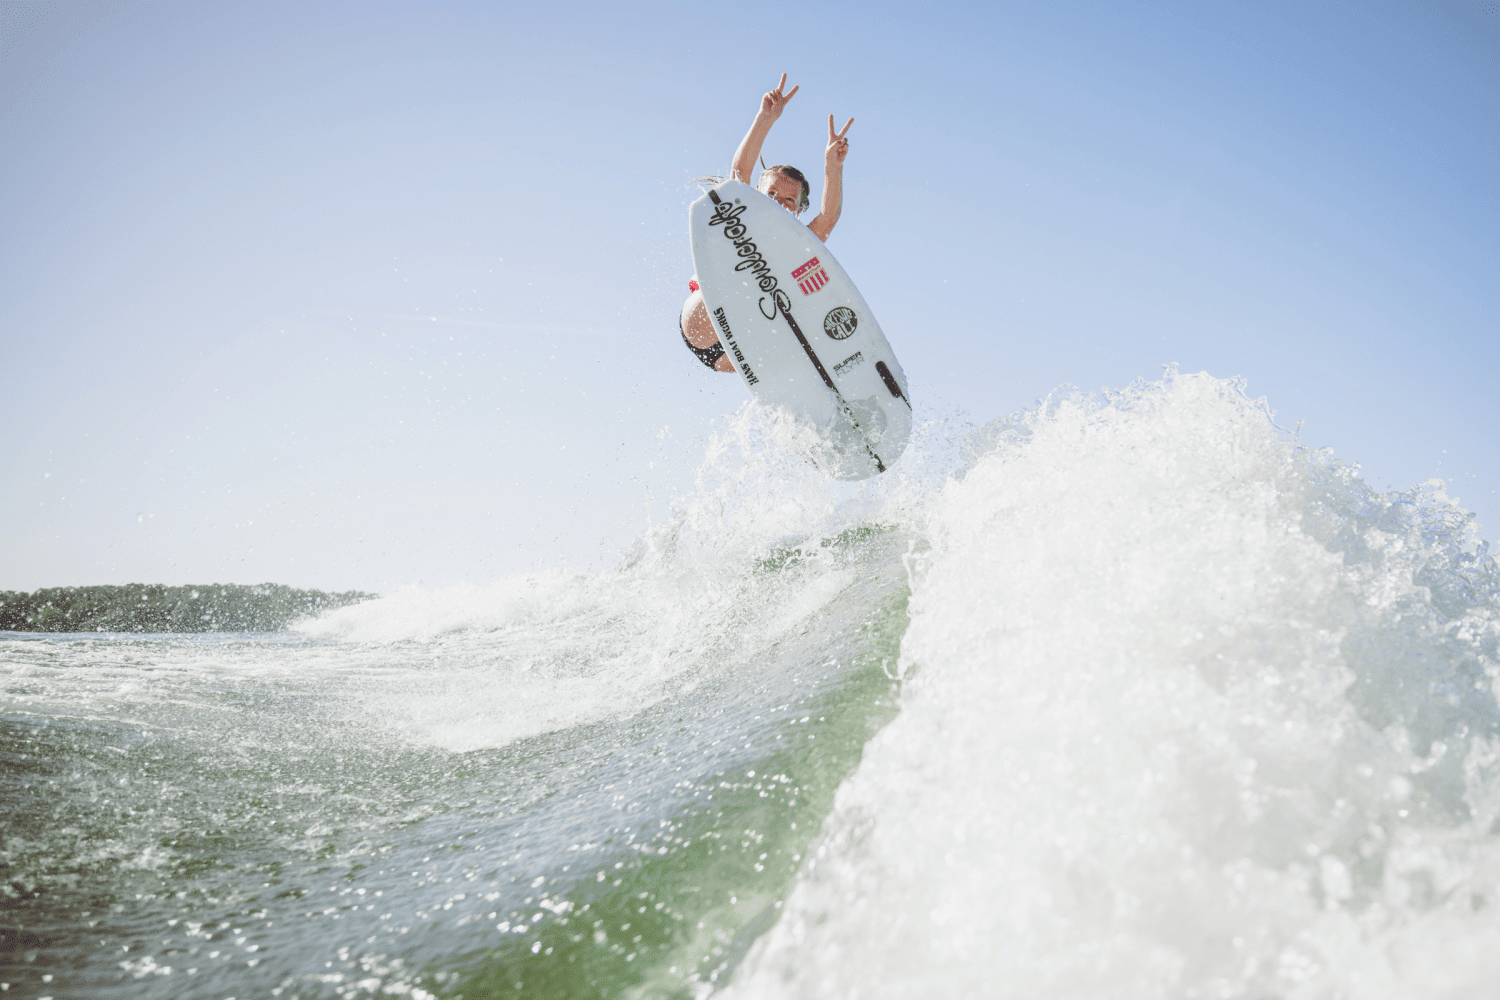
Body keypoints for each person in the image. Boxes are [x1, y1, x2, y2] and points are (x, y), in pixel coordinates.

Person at [680, 73, 855, 372]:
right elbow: (739, 172)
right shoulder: (738, 215)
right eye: (771, 193)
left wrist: (833, 166)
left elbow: (828, 219)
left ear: (798, 209)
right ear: (757, 193)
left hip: (742, 347)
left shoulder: (796, 242)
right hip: (704, 324)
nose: (778, 202)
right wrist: (765, 118)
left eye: (789, 200)